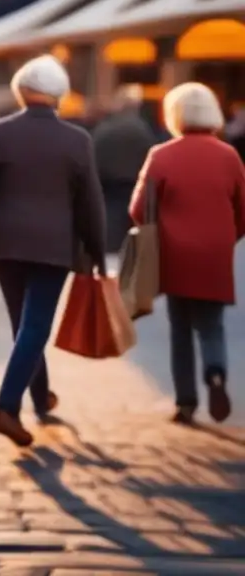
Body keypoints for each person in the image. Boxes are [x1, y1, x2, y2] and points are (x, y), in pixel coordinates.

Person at [0, 54, 106, 448]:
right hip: (53, 247)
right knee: (34, 328)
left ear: (21, 92)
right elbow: (91, 203)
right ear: (58, 96)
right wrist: (98, 251)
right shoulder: (78, 140)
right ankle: (6, 407)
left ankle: (40, 395)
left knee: (25, 326)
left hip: (6, 246)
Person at [130, 83, 245, 425]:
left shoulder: (161, 155)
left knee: (180, 328)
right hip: (214, 253)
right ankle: (216, 374)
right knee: (212, 326)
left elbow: (138, 210)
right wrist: (227, 238)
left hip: (175, 252)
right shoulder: (229, 156)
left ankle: (185, 402)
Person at [92, 86, 156, 252]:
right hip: (136, 191)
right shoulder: (145, 131)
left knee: (111, 242)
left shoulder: (104, 130)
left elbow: (94, 164)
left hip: (109, 193)